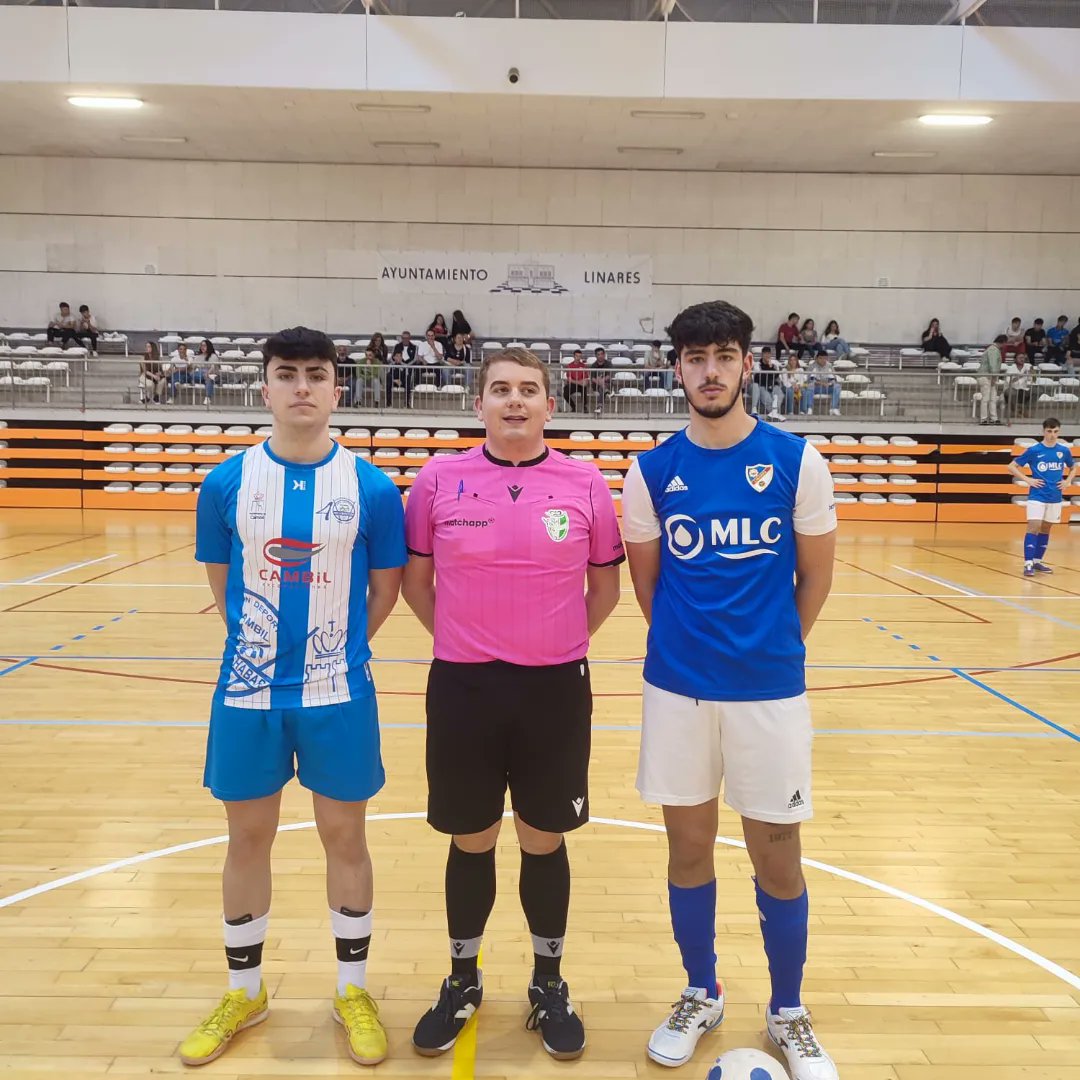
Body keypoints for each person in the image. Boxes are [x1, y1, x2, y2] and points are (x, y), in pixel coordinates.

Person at [620, 299, 838, 1079]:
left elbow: (815, 577)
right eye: (694, 358)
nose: (709, 372)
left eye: (723, 356)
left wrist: (769, 652)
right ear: (676, 369)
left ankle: (788, 1009)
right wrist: (697, 652)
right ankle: (699, 989)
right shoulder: (650, 473)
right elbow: (650, 589)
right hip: (678, 690)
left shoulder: (795, 461)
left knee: (777, 855)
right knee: (688, 849)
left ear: (747, 364)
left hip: (769, 692)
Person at [179, 326, 406, 1068]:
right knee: (247, 839)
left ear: (337, 388)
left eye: (316, 374)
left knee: (346, 838)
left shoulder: (371, 487)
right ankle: (245, 992)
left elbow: (385, 591)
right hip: (247, 695)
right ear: (266, 388)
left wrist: (332, 651)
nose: (302, 387)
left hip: (338, 692)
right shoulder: (225, 484)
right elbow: (223, 586)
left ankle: (352, 989)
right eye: (288, 374)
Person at [401, 347, 623, 1062]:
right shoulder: (438, 479)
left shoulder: (586, 483)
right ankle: (463, 979)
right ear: (480, 405)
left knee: (542, 837)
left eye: (529, 390)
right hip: (463, 686)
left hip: (555, 687)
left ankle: (548, 982)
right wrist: (471, 640)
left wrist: (552, 641)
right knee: (471, 838)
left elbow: (607, 590)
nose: (515, 400)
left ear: (550, 407)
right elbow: (416, 583)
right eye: (501, 389)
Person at [1008, 418, 1076, 577]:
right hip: (1037, 495)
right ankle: (1028, 563)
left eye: (1055, 432)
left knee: (1046, 528)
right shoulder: (1034, 450)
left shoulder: (1063, 451)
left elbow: (1073, 467)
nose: (1052, 435)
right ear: (1043, 431)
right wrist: (1027, 479)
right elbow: (1011, 466)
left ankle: (1037, 561)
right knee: (1034, 525)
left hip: (1055, 496)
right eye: (1049, 431)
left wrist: (1067, 481)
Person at [977, 335, 1006, 425]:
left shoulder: (994, 349)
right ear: (1003, 342)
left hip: (991, 377)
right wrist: (994, 377)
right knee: (986, 398)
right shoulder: (993, 349)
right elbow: (992, 365)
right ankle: (983, 419)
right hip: (986, 376)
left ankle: (994, 418)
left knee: (993, 398)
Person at [751, 347, 784, 422]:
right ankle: (774, 413)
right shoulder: (757, 365)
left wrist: (771, 367)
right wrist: (769, 370)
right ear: (762, 355)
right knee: (768, 400)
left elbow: (776, 376)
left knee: (780, 395)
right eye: (765, 353)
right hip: (762, 386)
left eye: (768, 353)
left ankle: (774, 412)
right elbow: (758, 378)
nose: (767, 355)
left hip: (773, 386)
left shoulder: (774, 365)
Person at [1006, 353, 1033, 419]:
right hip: (1013, 389)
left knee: (1037, 391)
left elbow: (1031, 380)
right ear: (1015, 359)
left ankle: (1023, 410)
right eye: (1020, 358)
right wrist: (1021, 375)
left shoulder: (1026, 368)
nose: (1022, 359)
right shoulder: (1011, 369)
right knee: (1012, 393)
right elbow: (1010, 382)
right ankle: (1016, 412)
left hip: (1024, 389)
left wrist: (1031, 373)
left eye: (1023, 358)